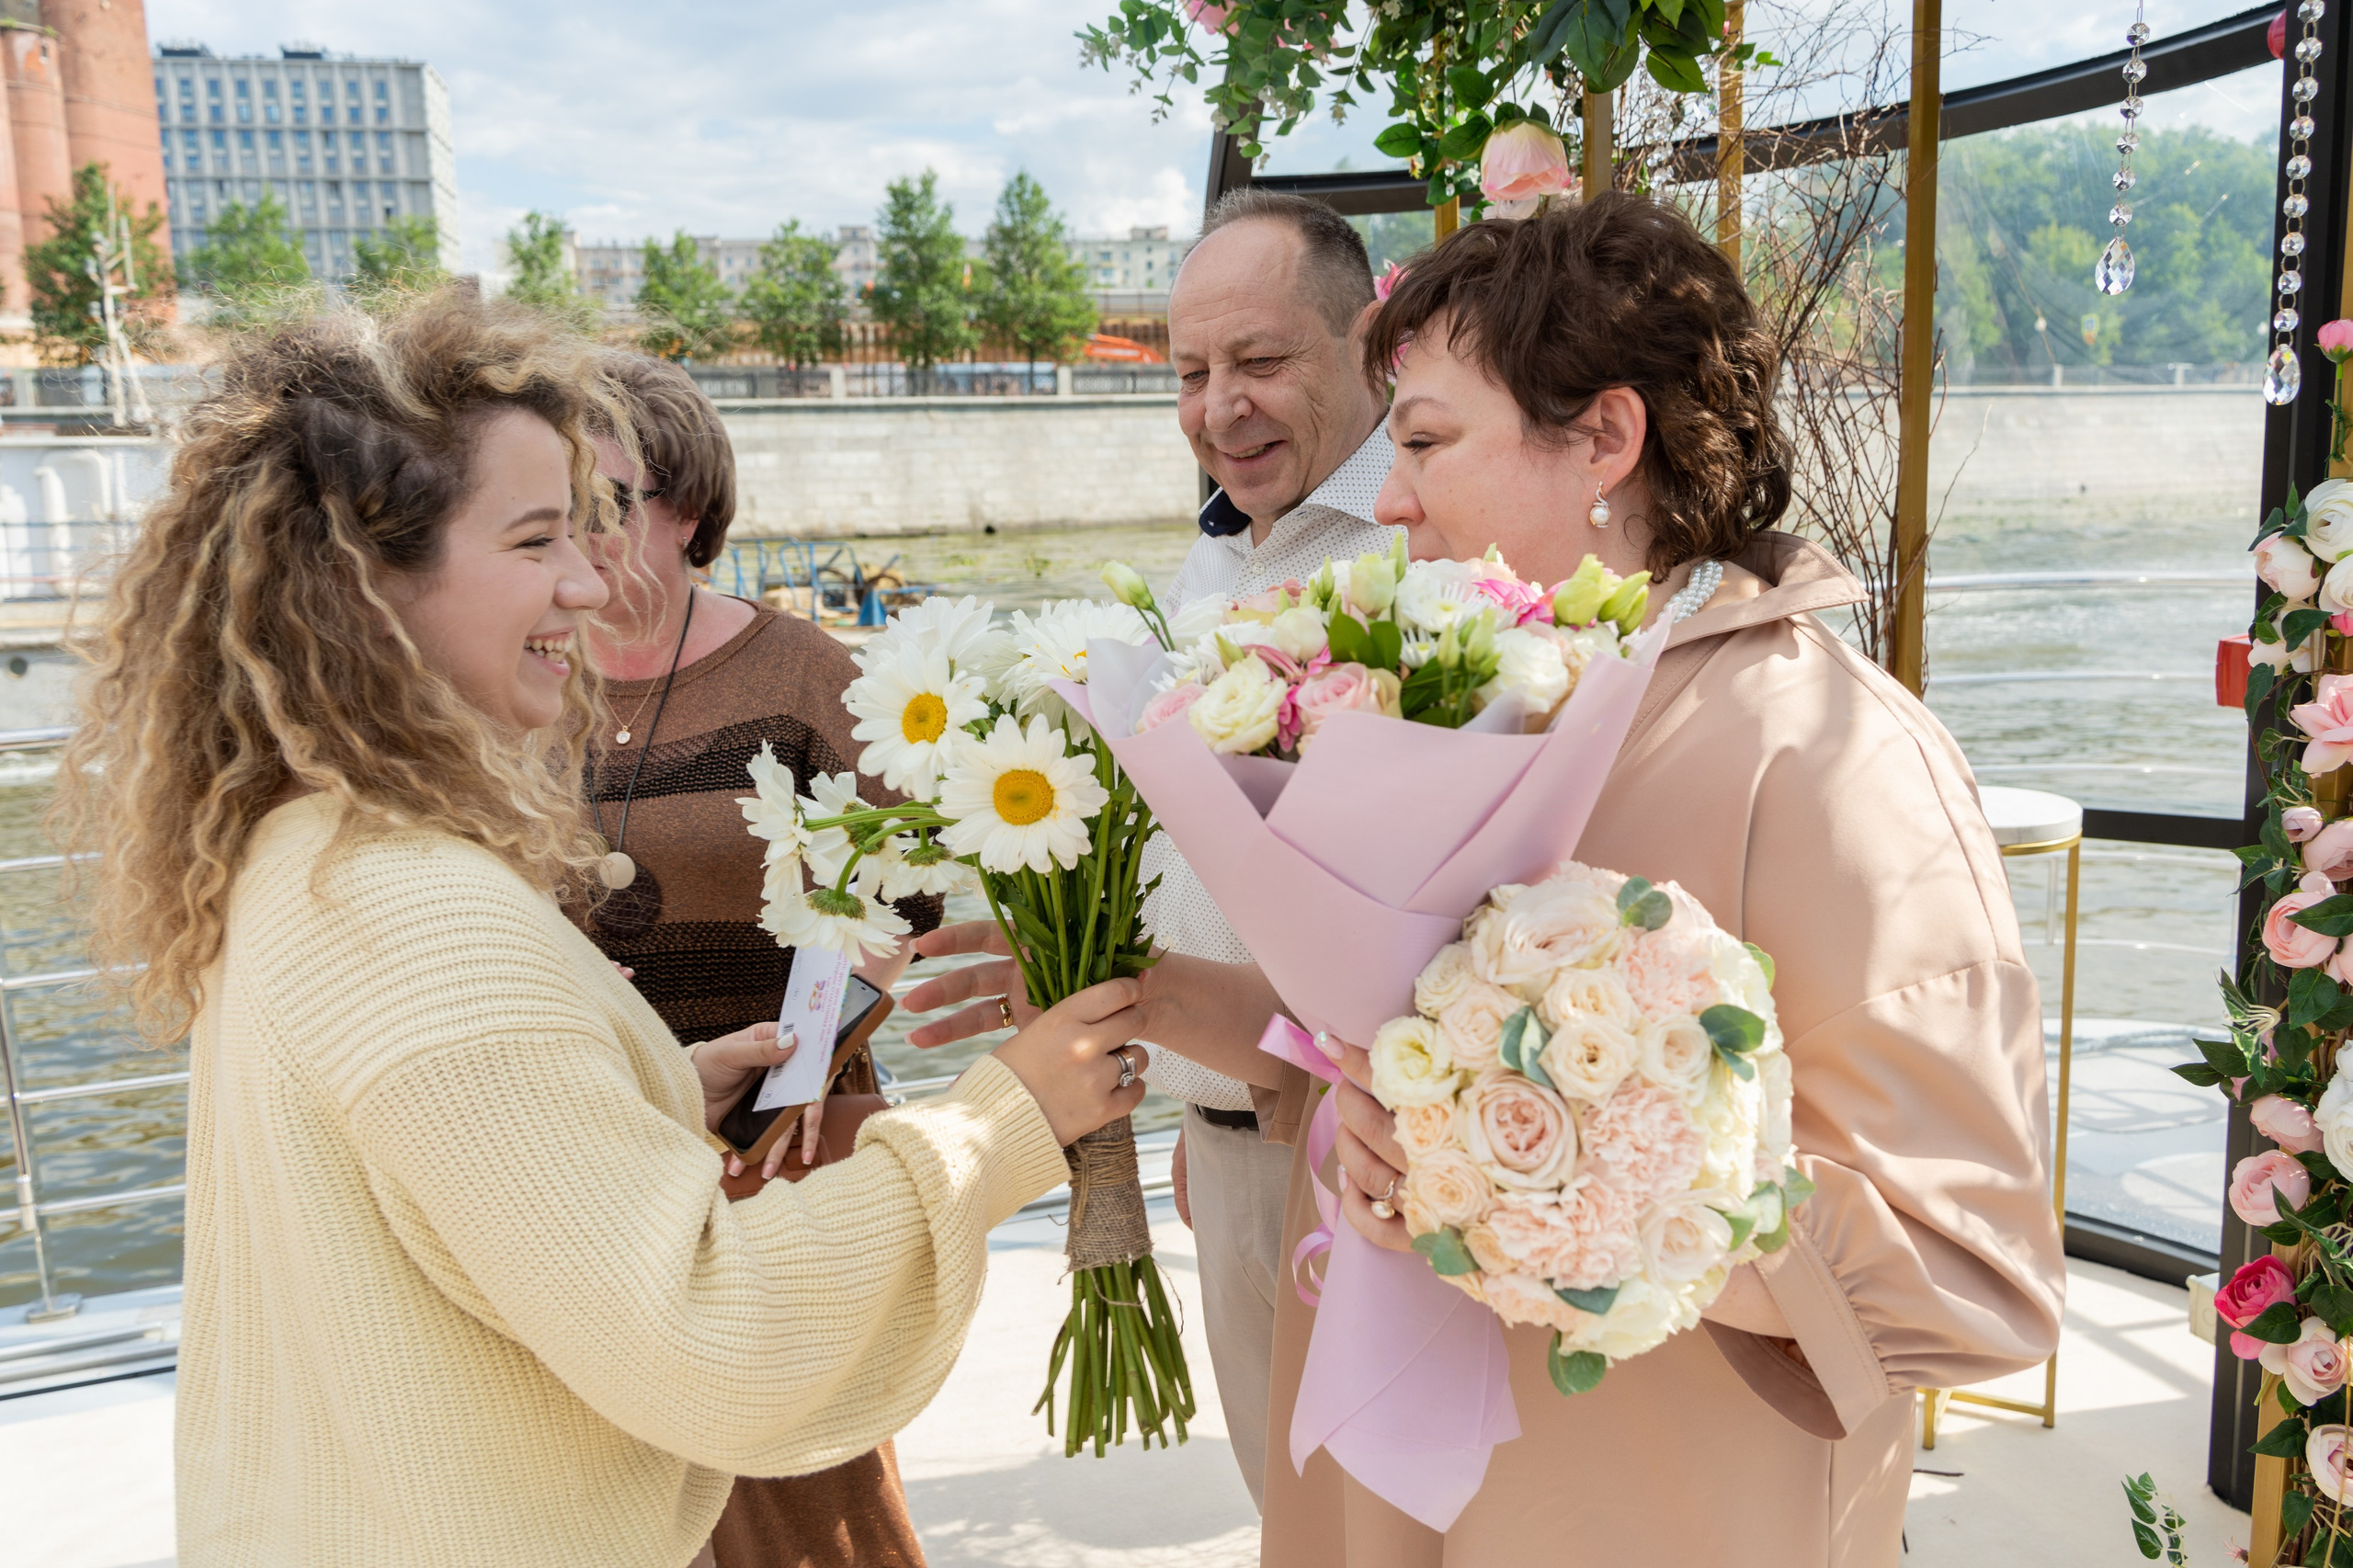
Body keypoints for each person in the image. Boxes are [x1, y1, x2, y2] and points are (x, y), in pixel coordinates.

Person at [60, 294, 1148, 1568]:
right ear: (365, 581)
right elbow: (716, 1337)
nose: (589, 578)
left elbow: (434, 1164)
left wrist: (654, 1090)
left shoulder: (308, 849)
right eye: (536, 540)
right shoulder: (419, 914)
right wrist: (1002, 1118)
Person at [1256, 195, 2066, 1562]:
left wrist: (1544, 1175)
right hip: (1393, 1479)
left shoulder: (1833, 757)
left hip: (1653, 1501)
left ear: (1607, 441)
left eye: (1429, 441)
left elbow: (1970, 1280)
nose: (1386, 499)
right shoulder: (1457, 710)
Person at [902, 187, 1398, 1512]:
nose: (1216, 407)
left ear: (1372, 341)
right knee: (1294, 1518)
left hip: (1364, 1156)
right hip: (1229, 1143)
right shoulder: (1221, 554)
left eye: (1261, 362)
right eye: (1190, 371)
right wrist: (1198, 1096)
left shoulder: (1425, 548)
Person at [573, 354, 942, 1568]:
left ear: (689, 507)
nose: (582, 532)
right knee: (623, 1489)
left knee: (808, 1500)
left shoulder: (807, 678)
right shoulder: (517, 683)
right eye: (557, 502)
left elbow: (909, 900)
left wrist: (789, 1084)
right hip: (601, 1151)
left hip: (785, 1142)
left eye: (610, 497)